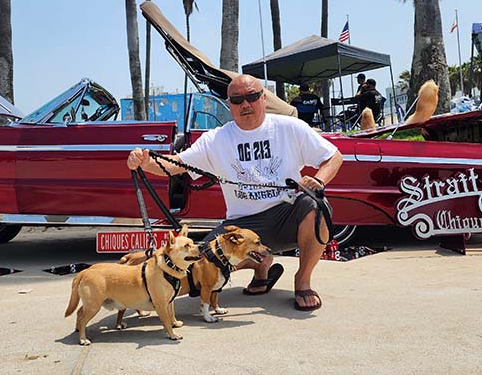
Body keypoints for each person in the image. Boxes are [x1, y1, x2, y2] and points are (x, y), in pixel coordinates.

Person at [127, 74, 344, 311]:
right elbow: (176, 164)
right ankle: (262, 265)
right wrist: (145, 162)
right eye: (237, 99)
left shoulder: (289, 127)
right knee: (200, 272)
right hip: (240, 228)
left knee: (317, 207)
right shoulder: (216, 139)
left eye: (252, 96)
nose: (246, 104)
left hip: (286, 215)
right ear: (229, 104)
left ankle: (302, 280)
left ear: (263, 98)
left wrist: (318, 180)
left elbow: (333, 156)